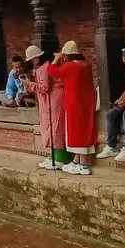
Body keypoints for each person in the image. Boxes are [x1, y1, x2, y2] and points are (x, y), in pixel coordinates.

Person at [49, 41, 97, 175]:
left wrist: (57, 58)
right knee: (84, 129)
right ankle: (77, 161)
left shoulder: (71, 66)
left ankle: (83, 165)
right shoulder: (86, 64)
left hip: (74, 102)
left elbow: (52, 71)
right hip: (86, 102)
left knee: (75, 131)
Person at [26, 45, 69, 171]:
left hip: (53, 99)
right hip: (49, 99)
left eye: (34, 59)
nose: (33, 61)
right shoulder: (44, 66)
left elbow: (44, 88)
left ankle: (60, 159)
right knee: (50, 127)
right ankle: (53, 157)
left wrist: (30, 84)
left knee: (55, 128)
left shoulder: (44, 68)